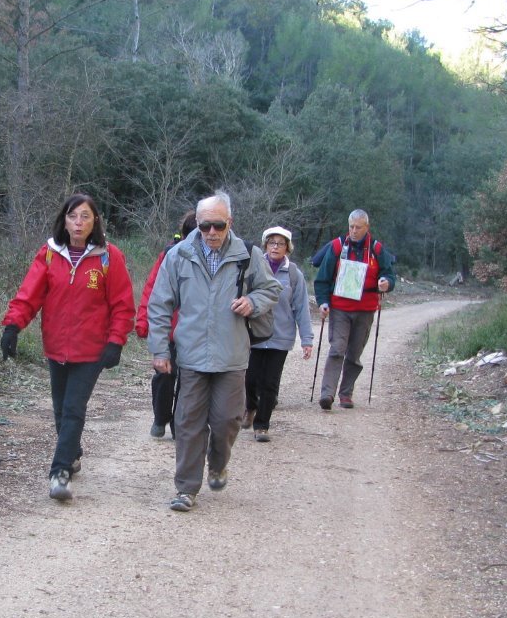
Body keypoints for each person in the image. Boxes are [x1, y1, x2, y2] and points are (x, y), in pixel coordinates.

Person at [147, 191, 282, 512]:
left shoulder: (248, 255)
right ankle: (186, 489)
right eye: (204, 225)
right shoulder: (178, 255)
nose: (211, 232)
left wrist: (253, 302)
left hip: (232, 355)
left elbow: (271, 289)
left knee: (226, 421)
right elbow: (159, 304)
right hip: (191, 356)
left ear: (229, 223)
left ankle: (218, 463)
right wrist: (159, 350)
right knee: (188, 422)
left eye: (218, 226)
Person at [0, 193, 135, 501]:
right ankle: (72, 452)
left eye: (85, 216)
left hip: (91, 351)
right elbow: (29, 295)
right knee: (61, 412)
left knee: (74, 409)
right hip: (56, 347)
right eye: (73, 216)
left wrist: (116, 342)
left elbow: (122, 304)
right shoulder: (49, 254)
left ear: (94, 221)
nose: (78, 223)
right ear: (64, 220)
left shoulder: (108, 256)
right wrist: (13, 326)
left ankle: (59, 472)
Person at [313, 209, 396, 411]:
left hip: (366, 309)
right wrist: (323, 302)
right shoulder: (337, 247)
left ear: (367, 227)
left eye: (358, 227)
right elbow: (322, 279)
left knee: (354, 353)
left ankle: (346, 394)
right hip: (340, 308)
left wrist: (386, 283)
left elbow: (389, 275)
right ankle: (327, 394)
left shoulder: (377, 249)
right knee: (337, 348)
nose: (354, 231)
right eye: (351, 226)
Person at [243, 226, 313, 442]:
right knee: (249, 379)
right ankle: (251, 407)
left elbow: (301, 307)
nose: (275, 247)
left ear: (287, 248)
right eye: (271, 242)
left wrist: (307, 339)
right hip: (254, 335)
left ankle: (262, 425)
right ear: (265, 245)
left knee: (270, 383)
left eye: (280, 243)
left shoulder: (293, 274)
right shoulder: (253, 267)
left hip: (280, 336)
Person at [134, 211, 197, 439]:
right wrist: (144, 322)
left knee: (188, 379)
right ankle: (161, 419)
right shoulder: (169, 255)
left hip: (192, 332)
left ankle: (178, 424)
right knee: (164, 376)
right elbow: (152, 290)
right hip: (169, 329)